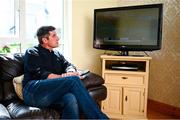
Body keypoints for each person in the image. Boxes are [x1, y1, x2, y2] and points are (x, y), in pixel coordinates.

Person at [22, 26, 109, 119]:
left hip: (50, 95)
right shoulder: (32, 52)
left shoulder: (57, 54)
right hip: (33, 92)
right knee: (73, 80)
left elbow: (68, 65)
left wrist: (70, 71)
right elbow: (41, 74)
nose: (58, 38)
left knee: (70, 98)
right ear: (45, 40)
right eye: (54, 35)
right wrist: (64, 76)